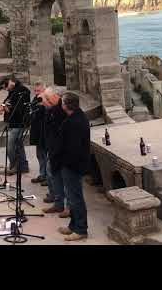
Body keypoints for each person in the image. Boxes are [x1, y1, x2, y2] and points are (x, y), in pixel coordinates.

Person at [52, 92, 90, 241]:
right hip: (71, 165)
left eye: (62, 102)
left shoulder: (75, 122)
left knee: (75, 198)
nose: (60, 105)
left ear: (66, 105)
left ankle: (80, 230)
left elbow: (73, 148)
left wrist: (63, 162)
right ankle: (73, 225)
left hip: (73, 166)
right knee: (73, 197)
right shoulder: (75, 117)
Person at [41, 86, 70, 219]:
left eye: (47, 98)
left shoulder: (62, 109)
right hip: (53, 149)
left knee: (66, 180)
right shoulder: (52, 109)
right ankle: (58, 203)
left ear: (55, 96)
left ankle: (68, 207)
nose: (46, 100)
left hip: (62, 151)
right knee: (53, 175)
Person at [0, 75, 30, 175]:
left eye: (6, 87)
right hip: (12, 123)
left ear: (10, 82)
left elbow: (20, 108)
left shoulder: (22, 91)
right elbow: (7, 102)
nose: (6, 89)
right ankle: (23, 166)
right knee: (19, 145)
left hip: (18, 123)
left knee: (11, 146)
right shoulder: (12, 91)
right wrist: (3, 106)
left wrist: (8, 109)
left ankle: (14, 166)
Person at [29, 81, 48, 185]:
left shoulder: (47, 100)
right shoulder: (36, 99)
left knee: (45, 155)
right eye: (35, 91)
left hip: (44, 131)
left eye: (38, 91)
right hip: (37, 130)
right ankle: (42, 174)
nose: (36, 93)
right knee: (39, 154)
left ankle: (48, 177)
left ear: (44, 90)